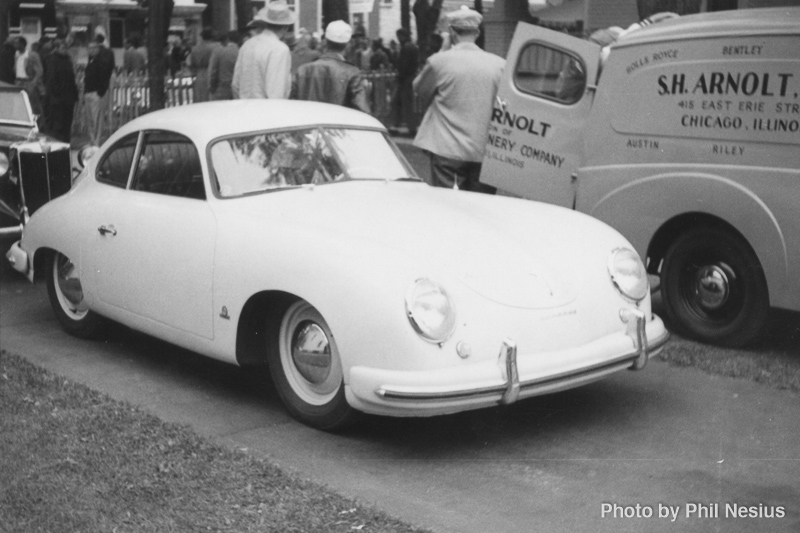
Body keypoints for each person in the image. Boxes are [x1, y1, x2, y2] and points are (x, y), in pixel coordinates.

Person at [412, 6, 504, 193]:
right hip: (484, 150)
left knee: (451, 208)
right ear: (477, 32)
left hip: (447, 149)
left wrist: (442, 50)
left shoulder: (440, 61)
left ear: (452, 32)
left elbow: (420, 90)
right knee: (482, 208)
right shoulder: (499, 65)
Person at [292, 20, 370, 114]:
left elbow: (292, 105)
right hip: (338, 127)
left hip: (309, 125)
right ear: (348, 44)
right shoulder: (352, 72)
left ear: (325, 41)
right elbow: (362, 111)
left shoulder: (303, 70)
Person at [231, 0, 294, 99]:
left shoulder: (247, 45)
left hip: (244, 108)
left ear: (266, 23)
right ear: (285, 28)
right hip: (266, 111)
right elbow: (276, 91)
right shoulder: (280, 49)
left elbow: (236, 85)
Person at [43, 39, 78, 143]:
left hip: (68, 98)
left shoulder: (67, 60)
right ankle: (58, 143)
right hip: (57, 99)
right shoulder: (52, 60)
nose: (65, 50)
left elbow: (71, 79)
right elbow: (51, 80)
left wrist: (75, 94)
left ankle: (66, 143)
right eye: (63, 48)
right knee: (58, 124)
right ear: (56, 48)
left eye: (66, 48)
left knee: (67, 123)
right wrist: (56, 94)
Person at [83, 35, 115, 145]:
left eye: (92, 48)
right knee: (90, 119)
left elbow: (104, 76)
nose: (90, 50)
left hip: (96, 92)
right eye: (89, 48)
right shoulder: (91, 60)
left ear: (97, 48)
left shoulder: (101, 61)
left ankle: (96, 141)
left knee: (96, 119)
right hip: (89, 92)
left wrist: (100, 91)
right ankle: (92, 140)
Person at [390, 28, 418, 135]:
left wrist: (400, 76)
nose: (398, 38)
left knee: (402, 102)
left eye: (399, 36)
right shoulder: (411, 46)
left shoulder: (406, 47)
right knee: (405, 102)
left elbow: (404, 65)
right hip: (409, 77)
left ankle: (404, 126)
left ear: (404, 36)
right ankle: (410, 126)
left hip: (405, 78)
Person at [188, 27, 219, 103]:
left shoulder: (195, 48)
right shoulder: (217, 47)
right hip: (214, 74)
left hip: (200, 75)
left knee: (200, 98)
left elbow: (191, 64)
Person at [208, 30, 240, 100]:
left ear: (227, 39)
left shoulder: (220, 52)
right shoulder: (241, 52)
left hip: (222, 89)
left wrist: (211, 87)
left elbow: (214, 71)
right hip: (238, 90)